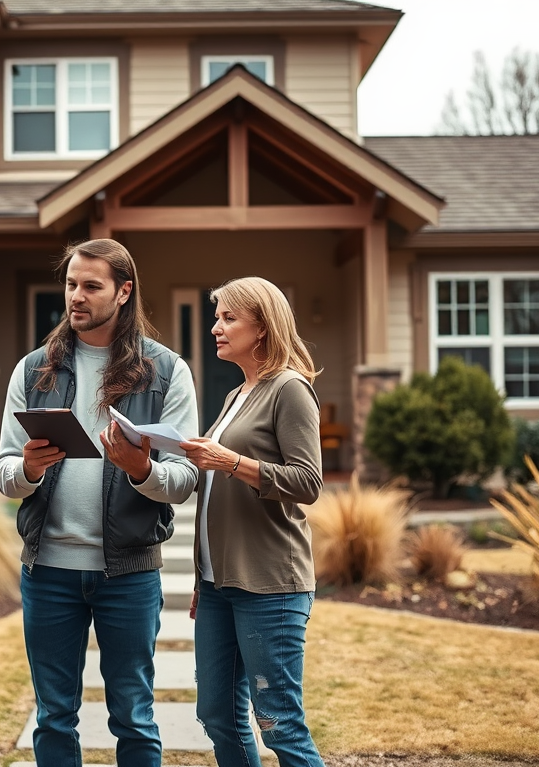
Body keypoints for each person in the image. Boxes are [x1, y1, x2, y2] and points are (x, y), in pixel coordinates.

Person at [0, 238, 199, 767]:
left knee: (133, 715)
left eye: (91, 286)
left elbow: (184, 478)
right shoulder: (33, 369)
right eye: (70, 284)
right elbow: (4, 472)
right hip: (49, 573)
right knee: (53, 716)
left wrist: (142, 470)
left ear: (124, 292)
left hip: (128, 575)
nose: (76, 297)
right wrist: (30, 471)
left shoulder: (167, 371)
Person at [180, 276, 325, 767]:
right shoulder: (236, 394)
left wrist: (231, 462)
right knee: (218, 715)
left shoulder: (290, 388)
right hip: (220, 584)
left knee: (279, 722)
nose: (215, 327)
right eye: (217, 317)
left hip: (270, 583)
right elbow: (214, 495)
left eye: (228, 318)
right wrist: (204, 575)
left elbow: (307, 482)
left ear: (261, 328)